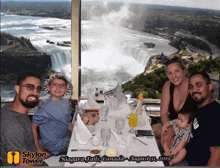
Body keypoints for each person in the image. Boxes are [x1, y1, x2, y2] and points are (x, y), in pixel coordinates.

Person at [0, 71, 49, 166]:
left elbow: (33, 99)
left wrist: (38, 102)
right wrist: (41, 155)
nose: (35, 93)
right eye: (29, 87)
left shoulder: (10, 107)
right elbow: (22, 163)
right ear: (17, 89)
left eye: (38, 89)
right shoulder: (13, 127)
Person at [152, 56, 197, 147]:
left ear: (184, 71)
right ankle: (164, 144)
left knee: (159, 139)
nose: (174, 76)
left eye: (177, 71)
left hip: (187, 131)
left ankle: (164, 144)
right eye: (170, 73)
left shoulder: (193, 89)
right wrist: (170, 129)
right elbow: (164, 114)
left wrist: (174, 132)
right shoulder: (168, 86)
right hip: (171, 125)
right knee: (153, 130)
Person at [32, 72, 73, 156]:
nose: (58, 87)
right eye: (54, 85)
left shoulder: (65, 103)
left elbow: (68, 123)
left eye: (62, 85)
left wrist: (82, 132)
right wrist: (37, 148)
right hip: (55, 146)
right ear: (48, 87)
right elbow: (33, 127)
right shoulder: (44, 109)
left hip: (64, 137)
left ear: (66, 89)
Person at [185, 72, 220, 166]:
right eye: (191, 87)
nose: (194, 90)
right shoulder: (199, 108)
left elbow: (217, 156)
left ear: (210, 87)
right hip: (182, 156)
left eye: (199, 85)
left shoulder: (215, 114)